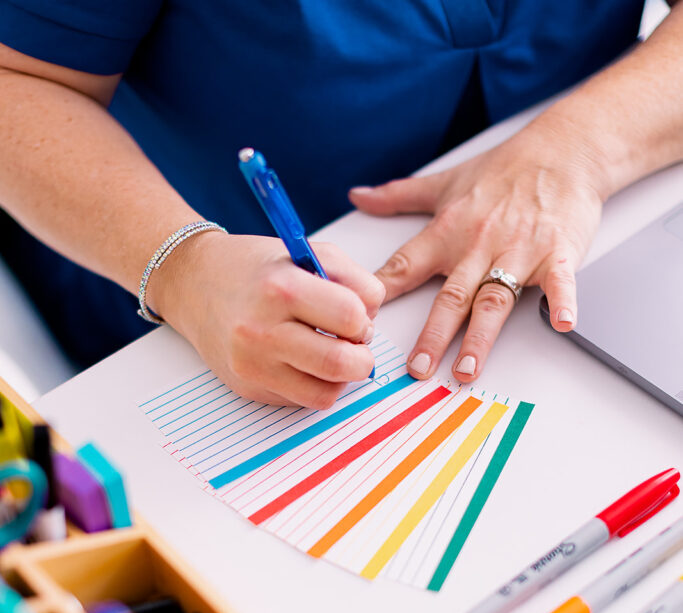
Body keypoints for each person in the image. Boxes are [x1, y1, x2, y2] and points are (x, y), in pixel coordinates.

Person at [0, 1, 681, 409]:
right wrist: (183, 269)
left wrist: (578, 148)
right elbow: (15, 80)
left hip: (580, 232)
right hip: (199, 291)